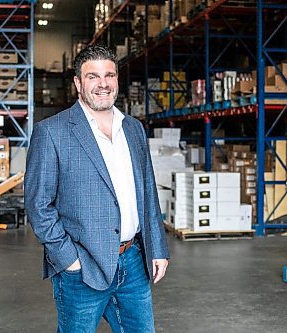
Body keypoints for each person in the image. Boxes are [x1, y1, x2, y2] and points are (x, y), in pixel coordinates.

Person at [24, 44, 170, 333]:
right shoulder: (52, 132)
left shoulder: (133, 128)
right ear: (78, 83)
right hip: (83, 266)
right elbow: (38, 204)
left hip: (133, 261)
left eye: (110, 75)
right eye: (93, 76)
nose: (103, 84)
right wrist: (68, 260)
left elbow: (148, 193)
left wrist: (158, 248)